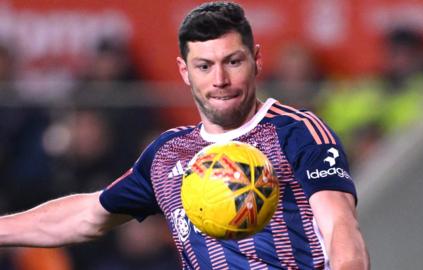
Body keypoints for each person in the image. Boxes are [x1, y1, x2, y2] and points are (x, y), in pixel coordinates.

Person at [0, 2, 369, 269]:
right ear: (184, 71)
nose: (220, 80)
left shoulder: (298, 133)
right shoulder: (168, 153)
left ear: (256, 60)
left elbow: (340, 227)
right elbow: (85, 216)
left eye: (233, 62)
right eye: (204, 66)